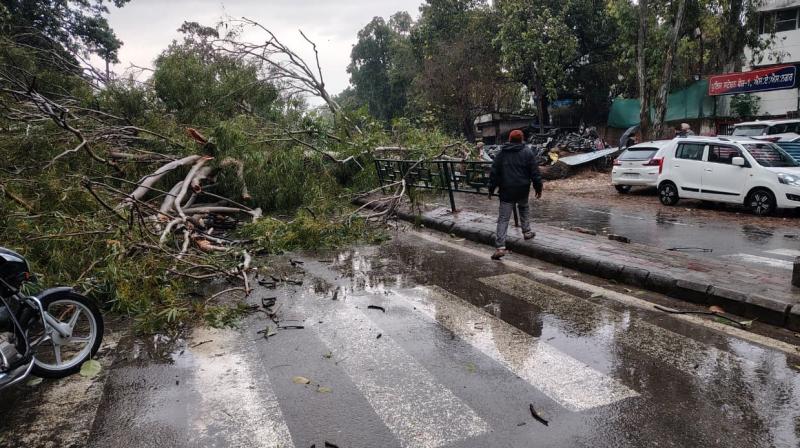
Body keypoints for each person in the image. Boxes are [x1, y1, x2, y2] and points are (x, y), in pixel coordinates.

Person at [487, 129, 543, 260]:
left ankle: (500, 247)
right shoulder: (527, 152)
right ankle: (527, 232)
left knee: (503, 219)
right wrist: (538, 188)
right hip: (523, 189)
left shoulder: (501, 153)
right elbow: (535, 172)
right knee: (523, 208)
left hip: (506, 190)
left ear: (510, 139)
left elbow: (494, 173)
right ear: (522, 139)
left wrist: (491, 189)